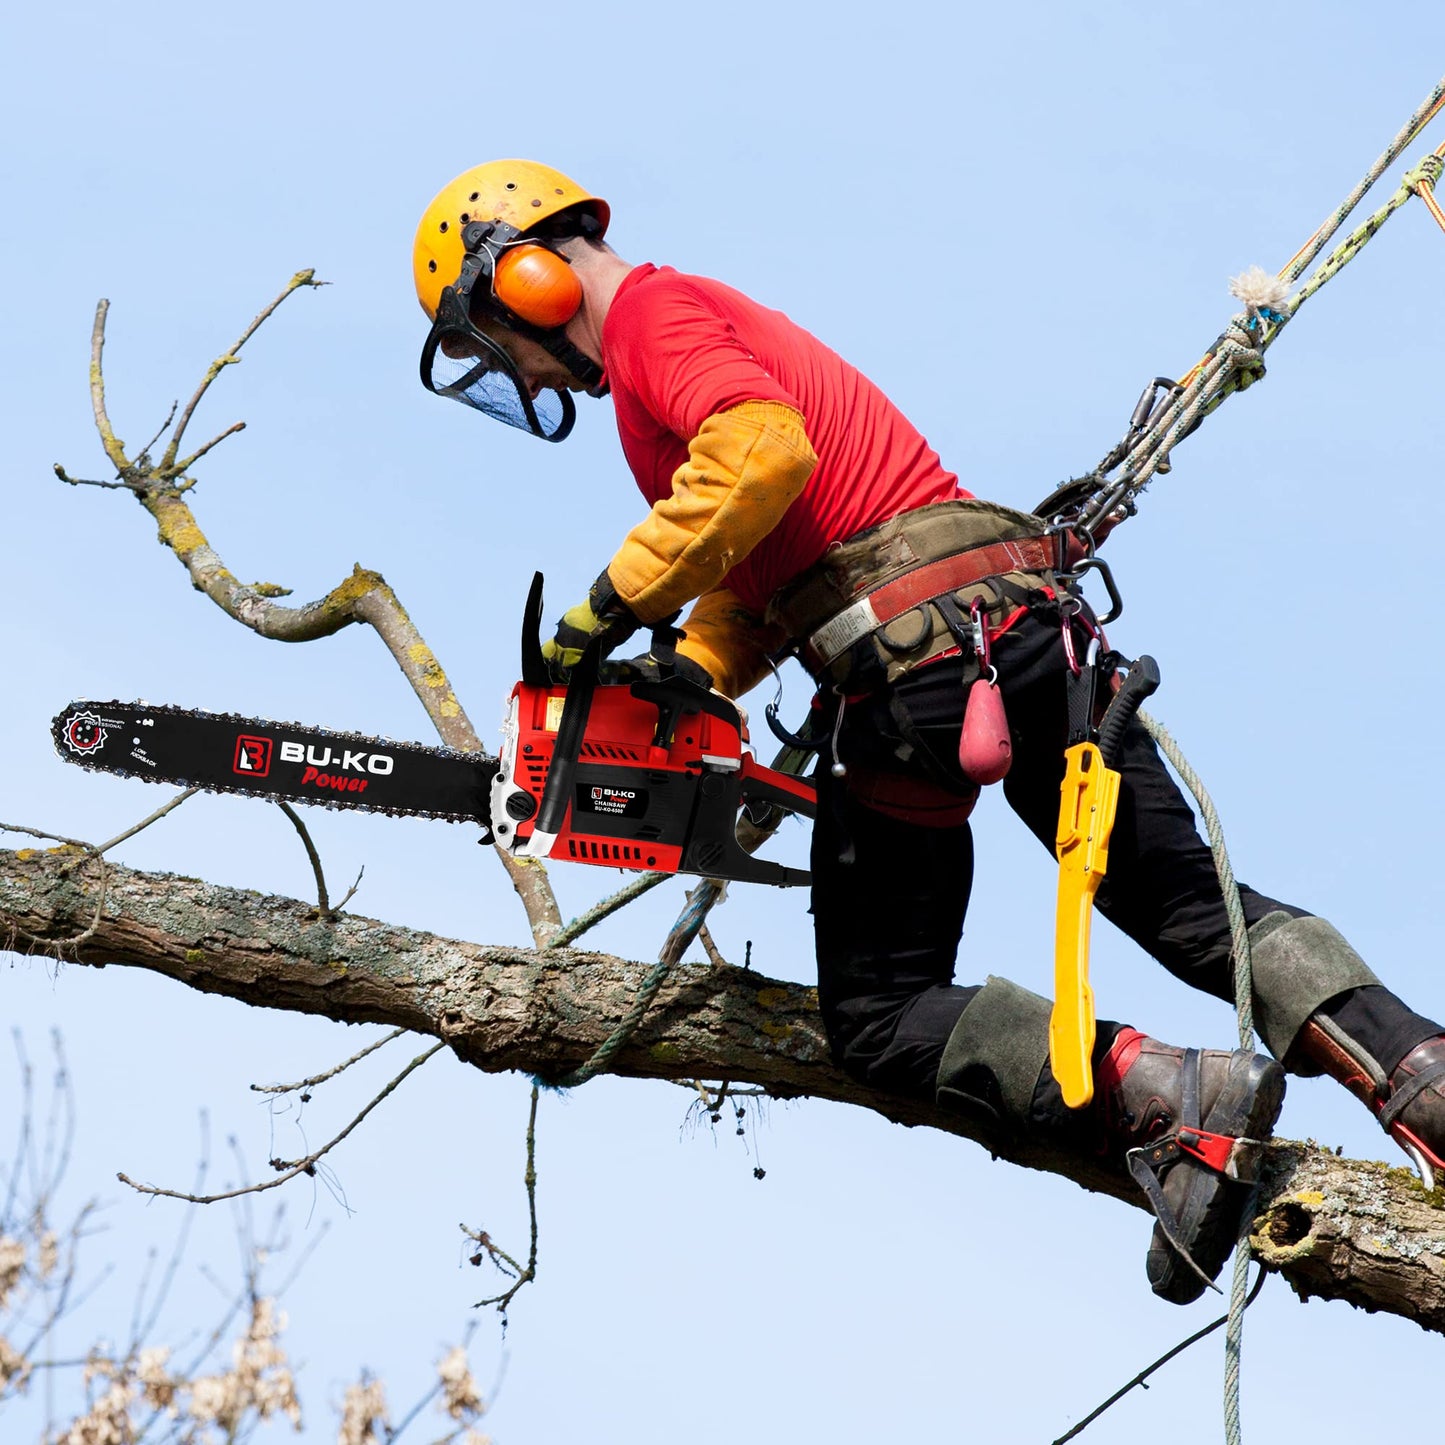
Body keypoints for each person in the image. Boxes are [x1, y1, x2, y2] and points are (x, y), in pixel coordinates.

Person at [412, 160, 1445, 1303]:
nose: (516, 369)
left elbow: (760, 455)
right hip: (1025, 637)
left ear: (524, 276)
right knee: (1181, 901)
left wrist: (602, 610)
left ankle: (1162, 1096)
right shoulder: (688, 330)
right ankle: (1418, 1070)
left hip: (920, 673)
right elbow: (761, 557)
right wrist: (693, 669)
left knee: (881, 1011)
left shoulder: (653, 315)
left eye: (492, 342)